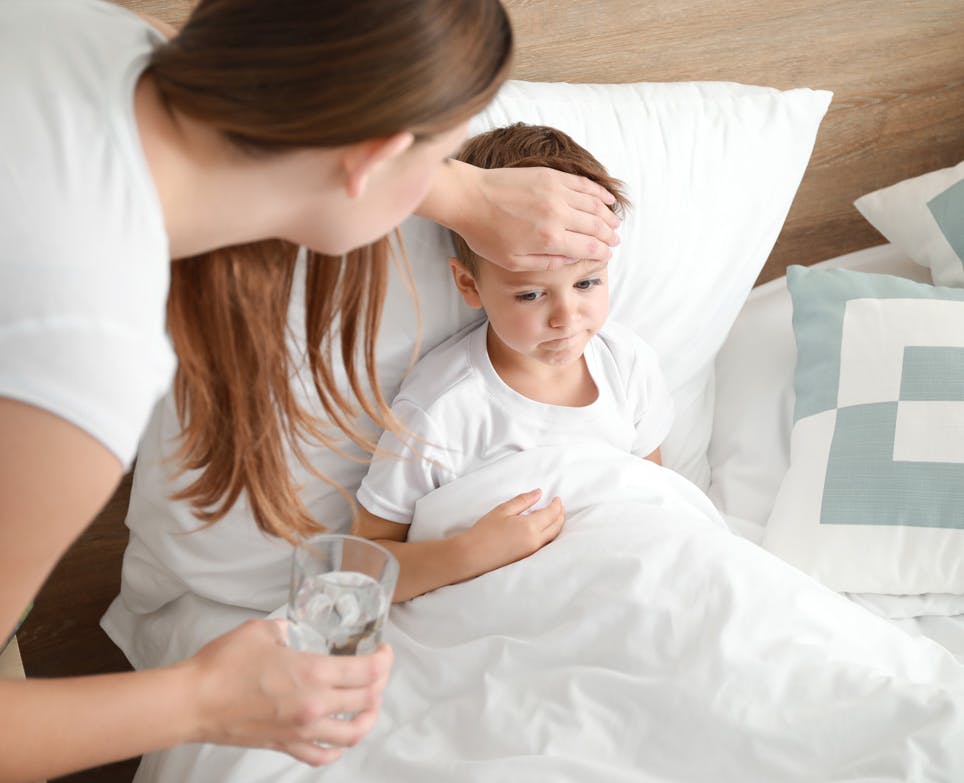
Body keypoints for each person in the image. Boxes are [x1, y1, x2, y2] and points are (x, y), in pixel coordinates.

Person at [0, 0, 623, 779]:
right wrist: (202, 700)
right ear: (372, 158)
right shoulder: (78, 363)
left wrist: (459, 192)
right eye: (443, 156)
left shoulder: (75, 28)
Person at [353, 123, 674, 603]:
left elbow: (655, 501)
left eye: (587, 283)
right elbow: (360, 565)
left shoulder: (626, 365)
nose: (567, 317)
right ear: (469, 285)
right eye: (530, 293)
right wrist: (469, 553)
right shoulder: (441, 409)